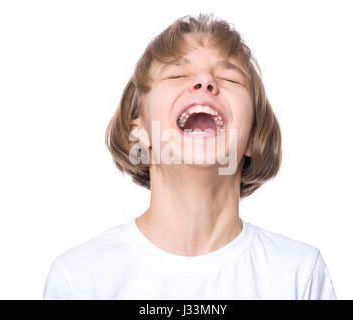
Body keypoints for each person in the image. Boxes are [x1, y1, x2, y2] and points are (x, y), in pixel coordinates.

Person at [43, 13, 337, 300]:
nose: (205, 82)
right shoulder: (81, 280)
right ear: (140, 132)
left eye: (230, 78)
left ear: (251, 138)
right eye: (177, 74)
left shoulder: (298, 276)